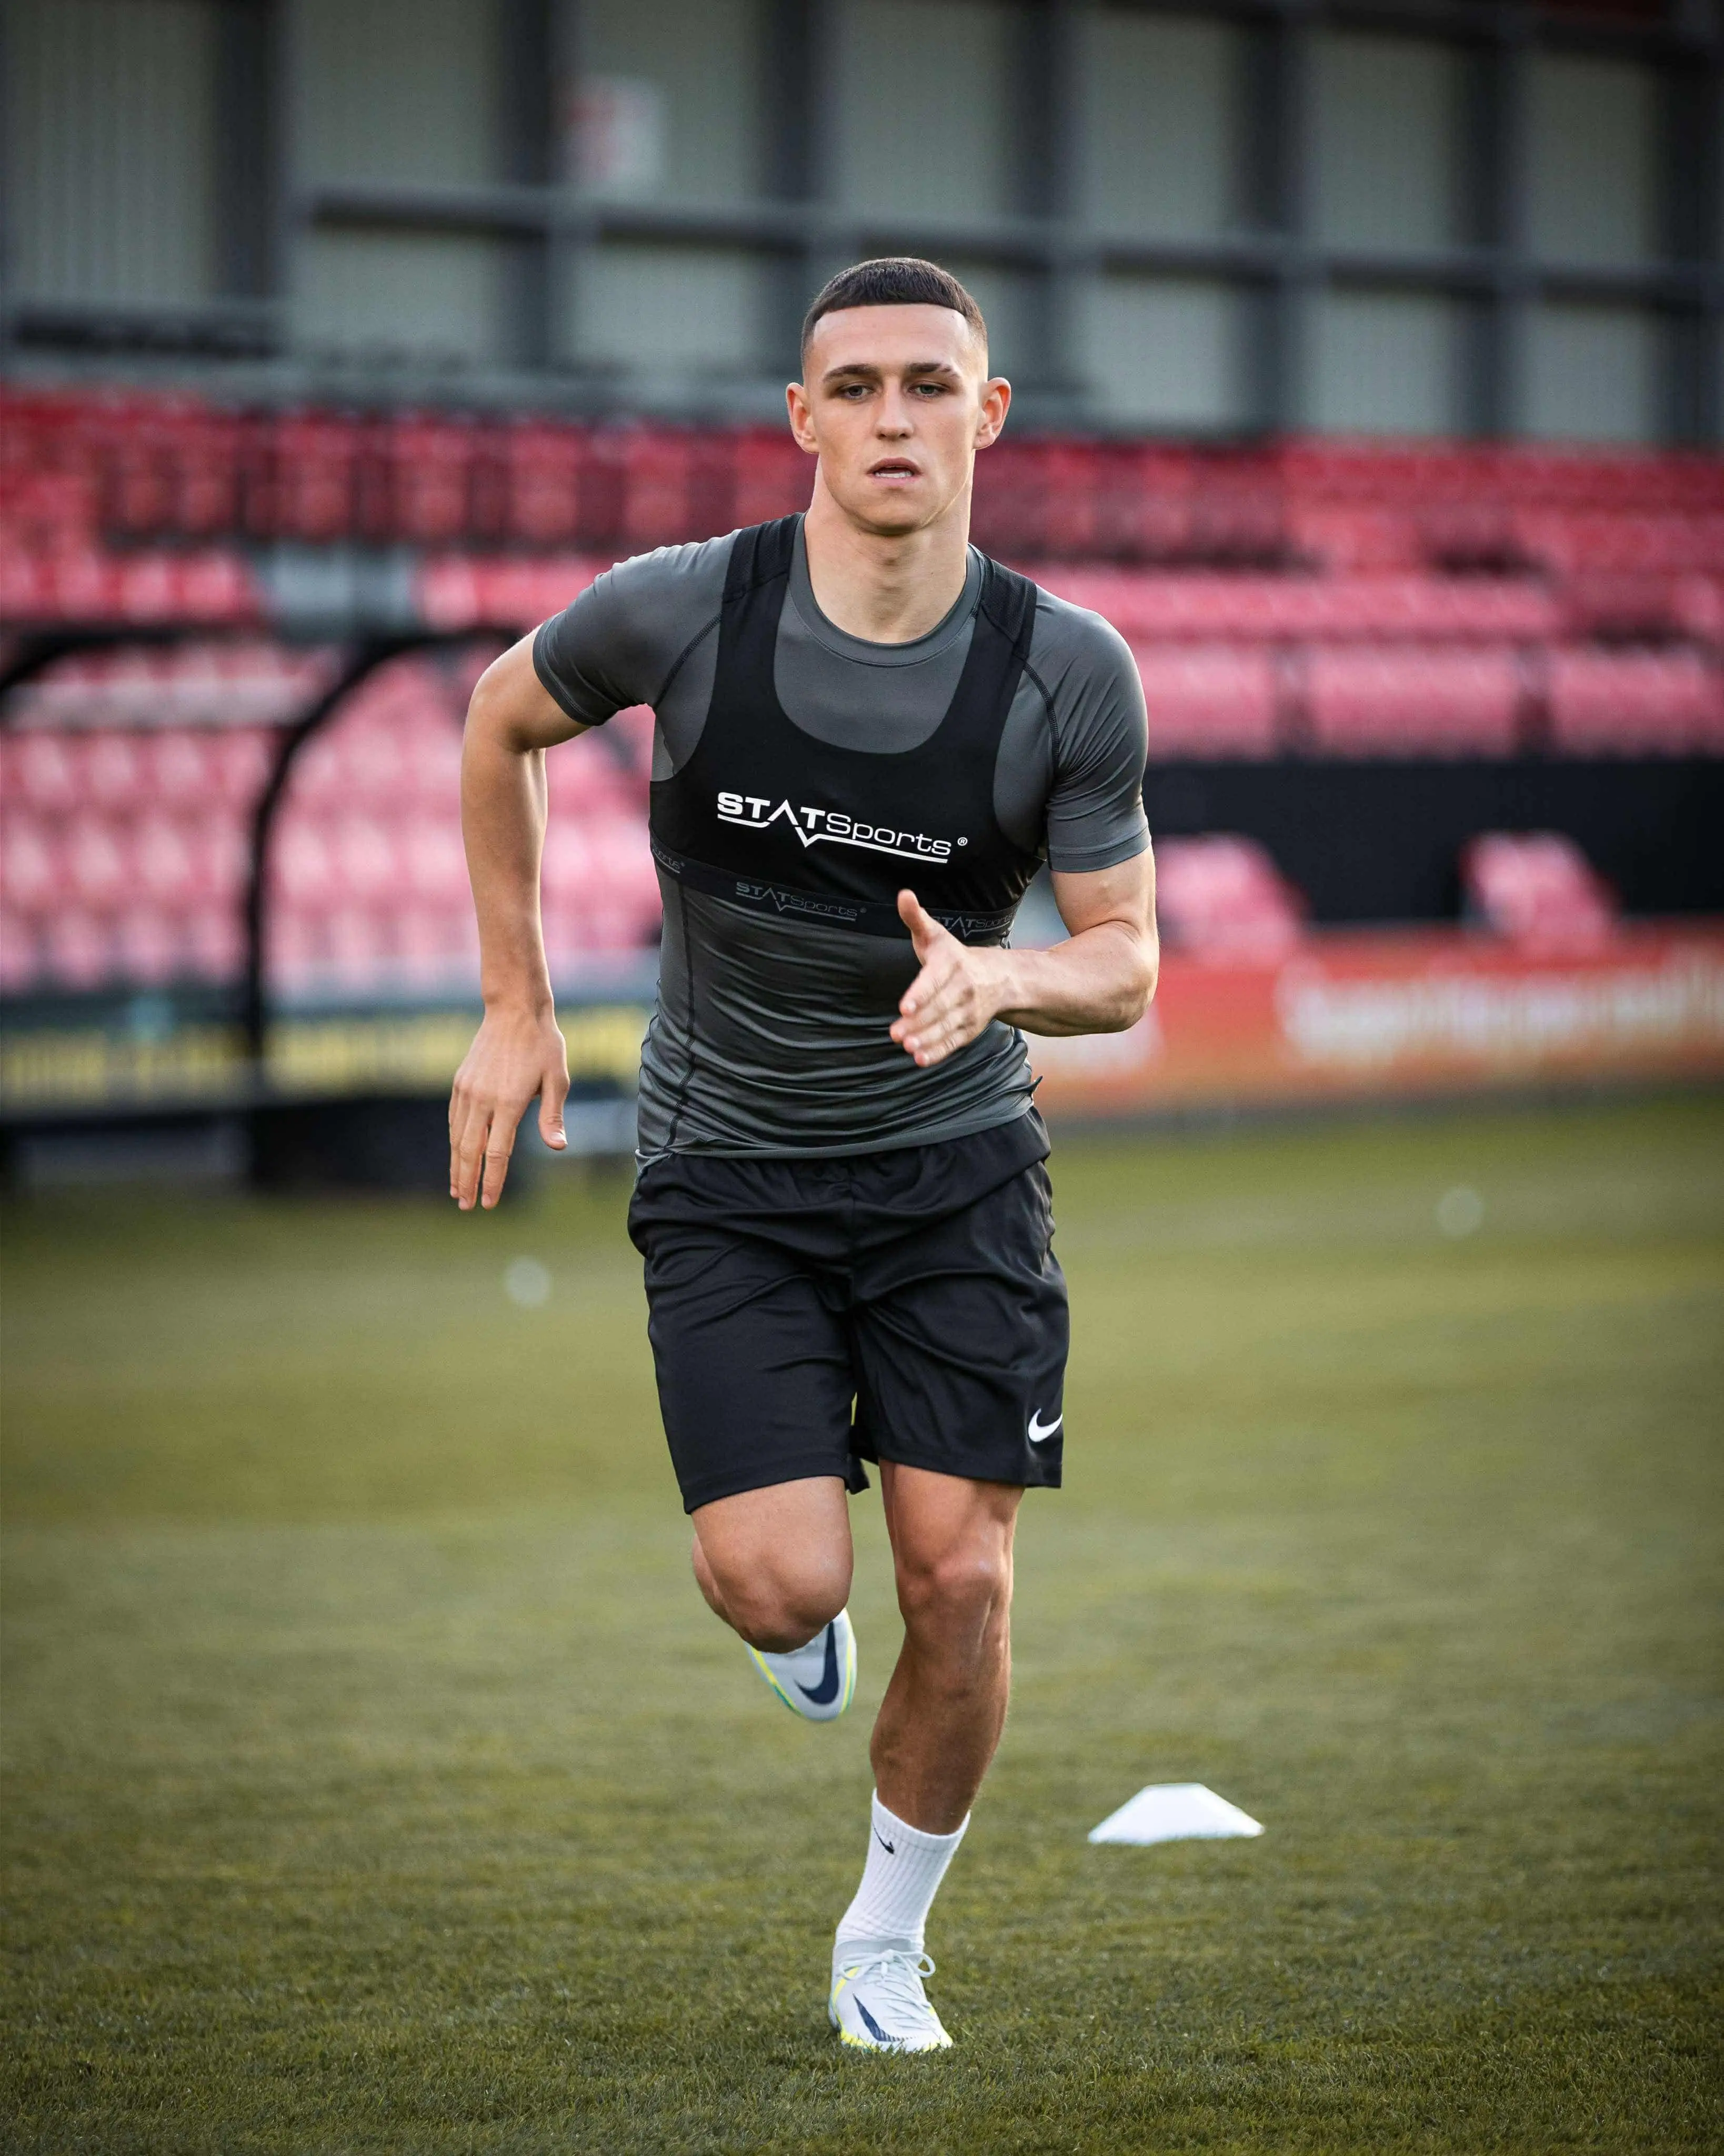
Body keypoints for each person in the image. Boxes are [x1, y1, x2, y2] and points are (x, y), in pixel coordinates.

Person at [449, 257, 1157, 2053]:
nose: (893, 417)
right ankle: (791, 1629)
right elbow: (499, 721)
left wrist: (1000, 974)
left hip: (953, 1175)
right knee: (783, 1582)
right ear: (801, 419)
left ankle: (881, 1946)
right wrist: (516, 999)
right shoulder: (680, 610)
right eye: (854, 388)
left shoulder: (1065, 669)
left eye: (931, 385)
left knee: (966, 1585)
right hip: (729, 1168)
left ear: (987, 418)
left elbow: (1126, 957)